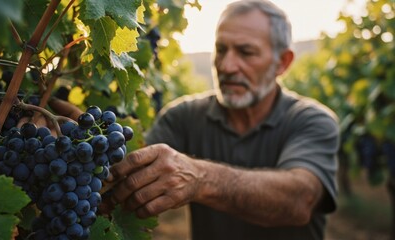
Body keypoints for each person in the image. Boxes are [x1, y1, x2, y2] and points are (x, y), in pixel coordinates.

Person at [107, 0, 340, 239]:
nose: (227, 66)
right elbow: (127, 175)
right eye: (221, 49)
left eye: (246, 52)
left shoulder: (311, 120)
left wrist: (199, 178)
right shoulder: (182, 117)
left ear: (282, 62)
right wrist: (87, 141)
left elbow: (300, 200)